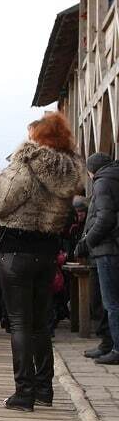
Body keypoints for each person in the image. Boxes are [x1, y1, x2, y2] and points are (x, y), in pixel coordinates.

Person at [0, 111, 85, 411]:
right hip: (47, 253)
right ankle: (44, 388)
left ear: (38, 137)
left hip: (17, 253)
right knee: (39, 324)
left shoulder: (26, 164)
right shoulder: (68, 170)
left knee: (20, 323)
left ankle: (24, 391)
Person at [76, 153, 119, 364]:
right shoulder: (112, 179)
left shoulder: (103, 183)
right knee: (107, 301)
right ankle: (108, 343)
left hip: (107, 248)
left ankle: (116, 348)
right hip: (109, 247)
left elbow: (105, 218)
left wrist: (87, 242)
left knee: (111, 302)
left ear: (92, 170)